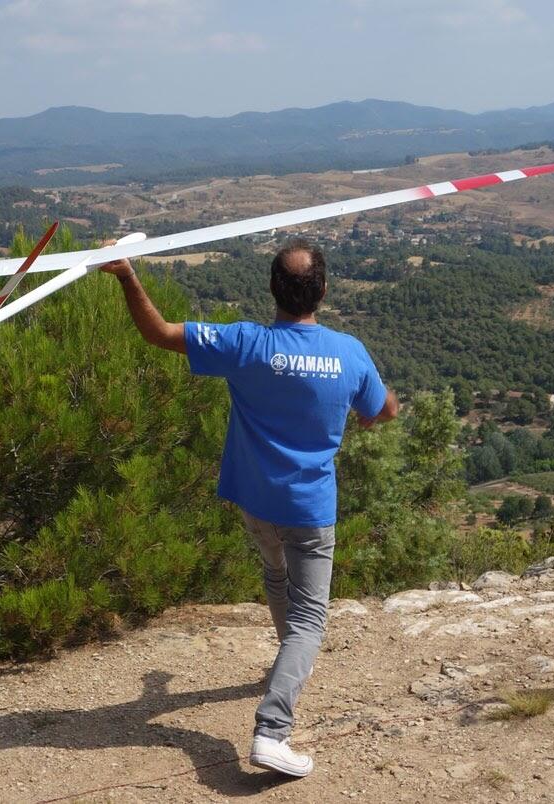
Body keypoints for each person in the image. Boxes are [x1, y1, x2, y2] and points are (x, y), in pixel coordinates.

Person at [99, 239, 398, 777]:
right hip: (309, 508)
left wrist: (126, 275)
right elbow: (382, 411)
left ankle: (286, 663)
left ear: (272, 288)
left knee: (275, 575)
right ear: (324, 291)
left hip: (255, 500)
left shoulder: (244, 343)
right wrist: (379, 404)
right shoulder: (349, 352)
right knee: (310, 620)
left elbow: (158, 332)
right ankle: (272, 731)